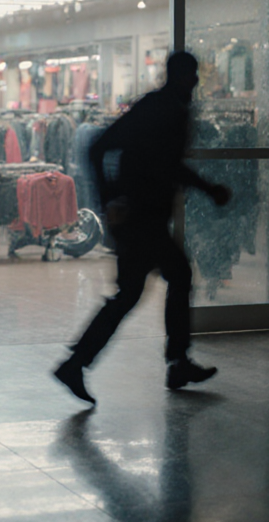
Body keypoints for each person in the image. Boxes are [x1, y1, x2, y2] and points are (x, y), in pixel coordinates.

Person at [54, 51, 232, 405]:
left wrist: (206, 189)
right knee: (157, 284)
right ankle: (84, 364)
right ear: (179, 76)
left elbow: (165, 165)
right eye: (192, 74)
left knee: (144, 289)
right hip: (139, 219)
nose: (196, 81)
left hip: (144, 218)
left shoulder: (169, 108)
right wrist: (109, 200)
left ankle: (83, 363)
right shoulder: (158, 108)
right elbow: (100, 146)